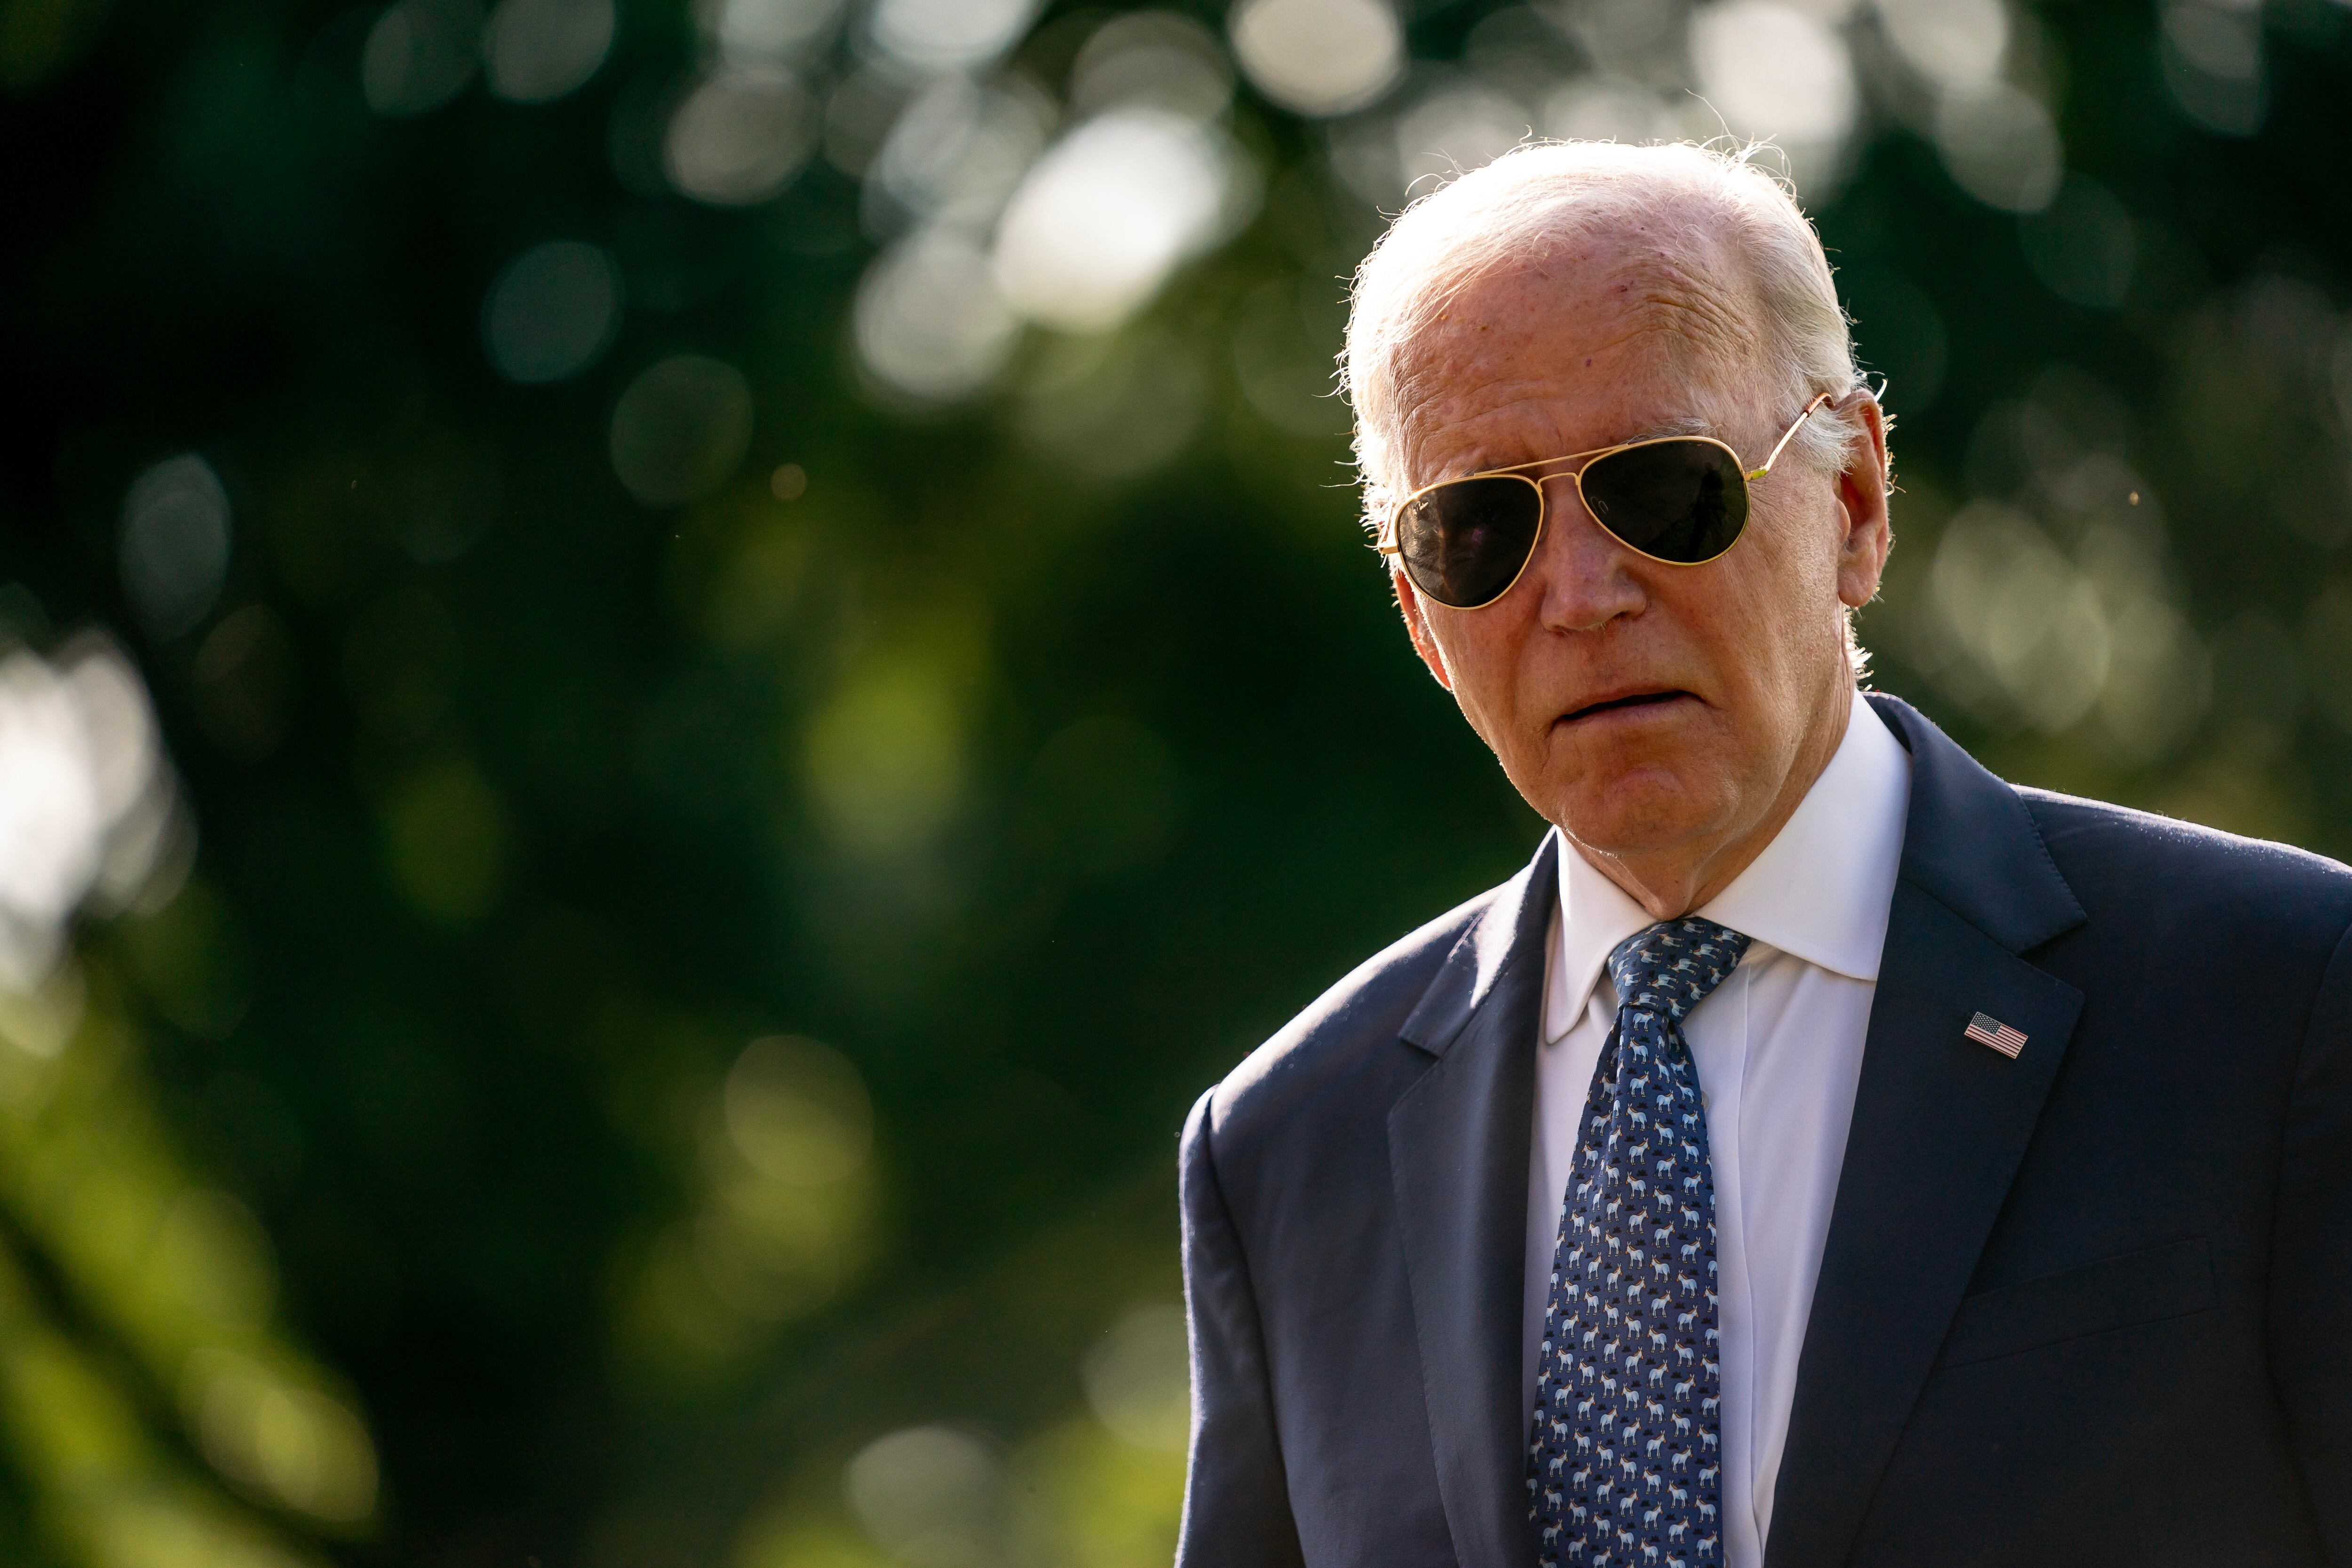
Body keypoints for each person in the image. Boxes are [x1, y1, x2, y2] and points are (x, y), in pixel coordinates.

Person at [1174, 140, 2352, 1568]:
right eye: (1479, 527)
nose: (1582, 595)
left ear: (1854, 504)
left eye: (1662, 490)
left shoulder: (2278, 1000)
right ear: (1422, 619)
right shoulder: (1290, 1146)